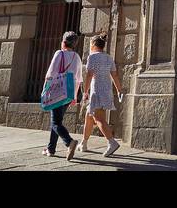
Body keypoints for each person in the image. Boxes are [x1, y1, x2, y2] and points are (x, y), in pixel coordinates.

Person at [80, 33, 123, 157]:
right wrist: (119, 90)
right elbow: (114, 75)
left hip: (96, 91)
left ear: (93, 45)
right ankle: (84, 143)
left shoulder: (92, 57)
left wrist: (85, 91)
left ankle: (112, 142)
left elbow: (89, 75)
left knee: (98, 118)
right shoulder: (109, 58)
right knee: (89, 115)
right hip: (107, 91)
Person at [42, 31, 82, 159]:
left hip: (56, 91)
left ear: (63, 42)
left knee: (55, 122)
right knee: (57, 120)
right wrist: (75, 96)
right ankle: (51, 148)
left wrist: (45, 89)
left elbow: (50, 74)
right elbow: (78, 79)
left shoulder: (59, 54)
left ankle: (69, 141)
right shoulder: (76, 57)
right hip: (68, 93)